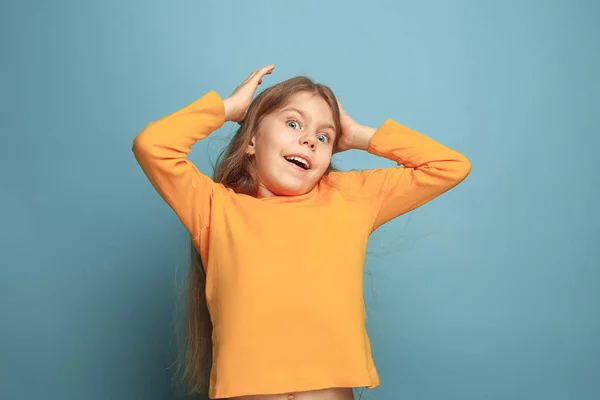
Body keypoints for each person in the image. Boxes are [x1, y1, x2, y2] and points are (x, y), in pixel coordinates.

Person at [132, 64, 472, 400]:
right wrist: (227, 109)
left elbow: (449, 167)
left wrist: (357, 135)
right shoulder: (214, 209)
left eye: (324, 136)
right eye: (293, 123)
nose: (309, 139)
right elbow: (153, 146)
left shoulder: (351, 197)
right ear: (251, 139)